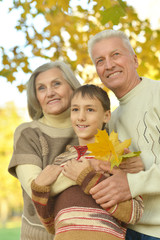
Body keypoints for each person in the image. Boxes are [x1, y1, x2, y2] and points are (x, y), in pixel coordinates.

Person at [31, 84, 144, 240]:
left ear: (106, 116)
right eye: (75, 109)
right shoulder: (60, 161)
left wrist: (86, 178)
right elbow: (51, 224)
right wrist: (38, 190)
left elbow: (133, 214)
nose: (81, 117)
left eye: (90, 110)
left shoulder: (117, 157)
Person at [87, 29, 160, 239]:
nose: (109, 65)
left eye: (116, 54)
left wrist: (132, 183)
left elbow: (129, 181)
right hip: (127, 230)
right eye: (100, 60)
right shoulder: (110, 120)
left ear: (135, 60)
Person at [8, 61, 81, 240]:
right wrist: (87, 170)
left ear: (72, 87)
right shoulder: (28, 133)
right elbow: (37, 187)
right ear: (36, 97)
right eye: (41, 88)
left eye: (56, 83)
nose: (50, 92)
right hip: (41, 235)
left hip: (88, 232)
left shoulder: (96, 126)